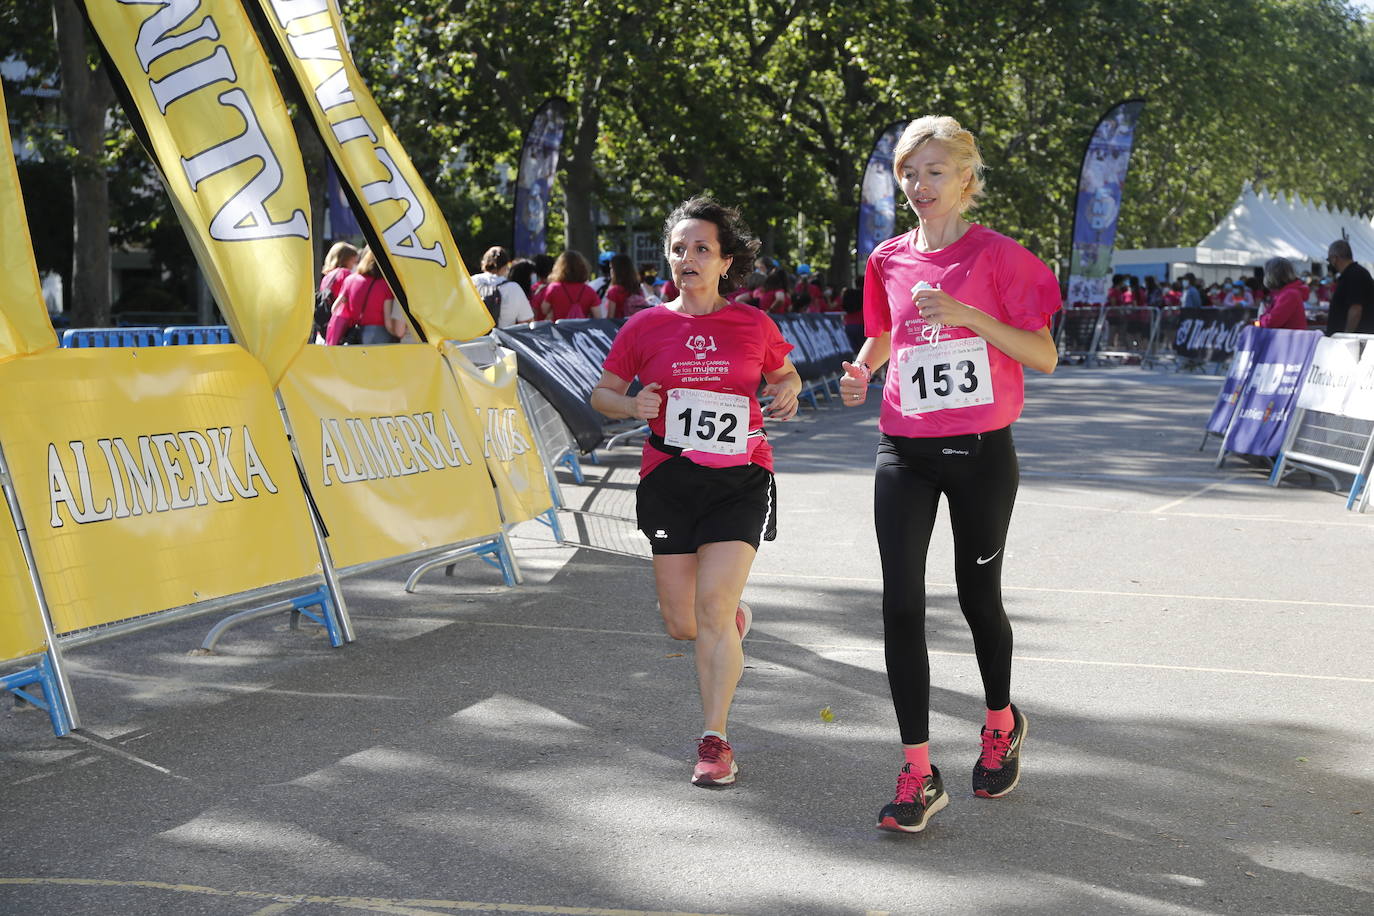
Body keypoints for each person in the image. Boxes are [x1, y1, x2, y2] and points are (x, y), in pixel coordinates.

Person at [838, 115, 1060, 833]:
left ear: (966, 179)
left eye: (936, 171)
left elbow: (1044, 354)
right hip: (903, 445)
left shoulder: (1001, 259)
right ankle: (916, 769)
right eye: (910, 172)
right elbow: (885, 333)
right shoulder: (887, 259)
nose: (920, 185)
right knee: (900, 604)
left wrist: (969, 315)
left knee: (976, 599)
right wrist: (861, 369)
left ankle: (999, 719)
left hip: (980, 451)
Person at [590, 196, 802, 788]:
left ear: (724, 261)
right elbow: (601, 394)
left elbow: (785, 375)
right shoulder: (646, 325)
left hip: (740, 476)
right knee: (683, 622)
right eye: (679, 249)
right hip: (670, 479)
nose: (688, 258)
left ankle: (716, 740)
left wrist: (786, 391)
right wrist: (632, 403)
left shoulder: (753, 323)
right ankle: (731, 621)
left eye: (701, 249)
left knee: (709, 609)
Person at [326, 248, 399, 345]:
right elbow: (388, 322)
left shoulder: (350, 280)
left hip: (354, 333)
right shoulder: (385, 285)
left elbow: (335, 308)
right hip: (379, 334)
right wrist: (398, 335)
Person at [473, 246, 535, 328]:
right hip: (502, 339)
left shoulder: (470, 282)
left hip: (473, 340)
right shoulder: (514, 288)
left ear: (483, 263)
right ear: (506, 266)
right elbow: (527, 321)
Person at [532, 250, 600, 321]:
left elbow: (544, 310)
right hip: (581, 331)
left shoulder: (553, 288)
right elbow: (598, 317)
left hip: (558, 330)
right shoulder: (589, 291)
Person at [1326, 239, 1374, 335]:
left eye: (1329, 259)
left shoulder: (1355, 274)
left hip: (1354, 341)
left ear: (1335, 258)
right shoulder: (1349, 274)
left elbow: (1356, 309)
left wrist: (1346, 335)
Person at [316, 241, 358, 341]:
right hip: (338, 328)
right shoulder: (345, 273)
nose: (355, 264)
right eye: (353, 261)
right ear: (346, 259)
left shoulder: (327, 276)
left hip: (323, 328)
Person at [1257, 257, 1307, 330]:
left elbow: (1271, 322)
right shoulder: (1286, 293)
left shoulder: (1289, 294)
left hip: (1288, 339)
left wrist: (1261, 318)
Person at [598, 253, 647, 319]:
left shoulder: (614, 291)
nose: (611, 271)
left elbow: (610, 317)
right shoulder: (638, 288)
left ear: (616, 270)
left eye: (611, 268)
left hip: (619, 327)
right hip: (635, 325)